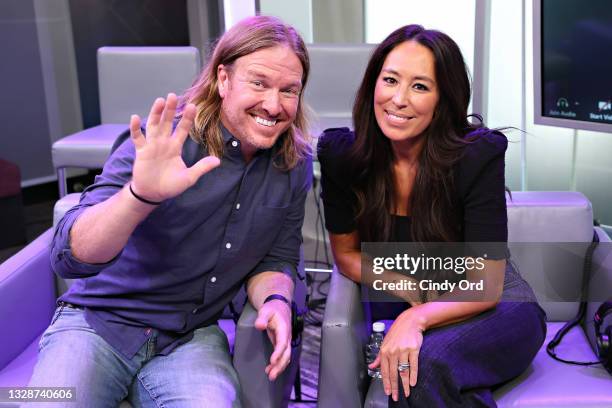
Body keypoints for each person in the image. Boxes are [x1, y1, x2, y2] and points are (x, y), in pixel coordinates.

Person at [28, 15, 312, 407]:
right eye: (259, 82)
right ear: (224, 79)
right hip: (95, 325)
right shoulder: (161, 142)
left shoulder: (293, 164)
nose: (273, 104)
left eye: (289, 90)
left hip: (190, 335)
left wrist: (277, 301)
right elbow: (70, 258)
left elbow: (276, 258)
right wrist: (139, 196)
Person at [318, 25, 546, 407]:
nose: (399, 99)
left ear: (443, 100)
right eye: (390, 80)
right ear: (373, 83)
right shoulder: (343, 156)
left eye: (420, 87)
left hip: (496, 304)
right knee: (415, 374)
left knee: (418, 368)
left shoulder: (476, 156)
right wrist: (405, 286)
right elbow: (346, 255)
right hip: (426, 304)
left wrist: (416, 318)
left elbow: (487, 285)